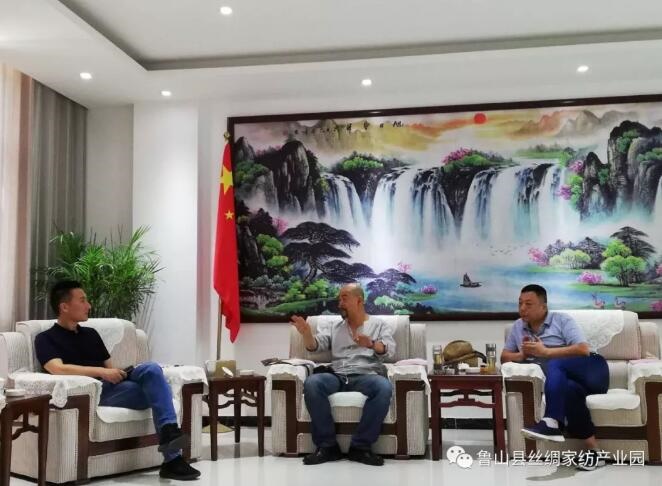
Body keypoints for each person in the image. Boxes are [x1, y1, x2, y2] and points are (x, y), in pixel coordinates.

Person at [34, 281, 201, 480]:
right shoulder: (46, 338)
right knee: (158, 389)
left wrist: (115, 373)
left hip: (113, 384)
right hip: (95, 391)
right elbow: (57, 368)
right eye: (83, 300)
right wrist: (102, 373)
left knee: (152, 369)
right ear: (64, 306)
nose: (89, 305)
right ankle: (172, 459)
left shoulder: (91, 334)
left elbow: (111, 368)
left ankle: (170, 433)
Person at [501, 284, 609, 471]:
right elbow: (504, 357)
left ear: (543, 306)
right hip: (566, 381)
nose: (522, 308)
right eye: (520, 303)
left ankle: (551, 421)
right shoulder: (518, 327)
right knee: (569, 391)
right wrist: (522, 355)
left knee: (555, 363)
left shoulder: (561, 320)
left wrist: (545, 352)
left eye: (528, 304)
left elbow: (583, 349)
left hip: (593, 370)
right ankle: (595, 452)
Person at [290, 283, 395, 466]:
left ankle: (360, 447)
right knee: (313, 383)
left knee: (384, 387)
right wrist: (306, 334)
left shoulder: (379, 325)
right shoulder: (334, 326)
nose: (339, 303)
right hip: (337, 375)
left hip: (366, 374)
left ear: (359, 300)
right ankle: (327, 446)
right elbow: (315, 346)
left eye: (344, 298)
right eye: (339, 299)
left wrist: (371, 344)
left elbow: (389, 350)